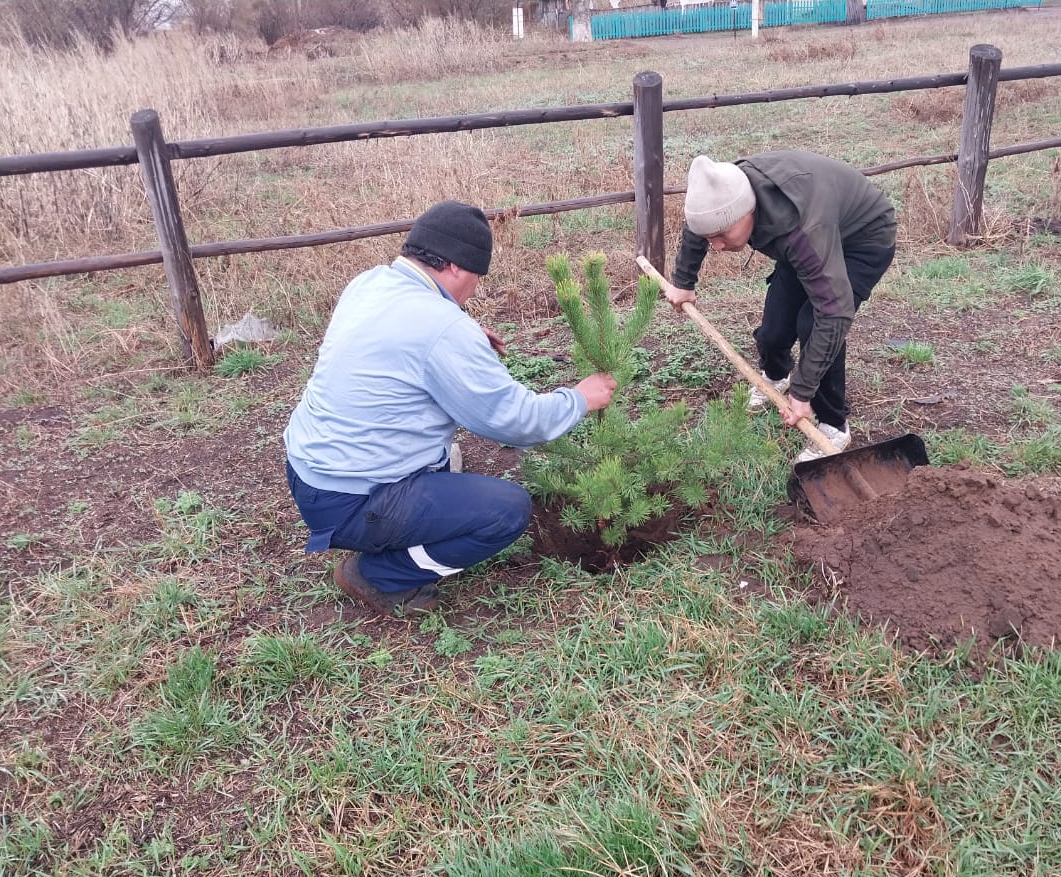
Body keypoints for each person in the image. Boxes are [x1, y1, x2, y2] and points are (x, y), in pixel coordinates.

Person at [284, 200, 617, 615]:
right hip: (352, 498)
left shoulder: (370, 283)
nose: (476, 288)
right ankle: (382, 575)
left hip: (310, 471)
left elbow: (397, 337)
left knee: (447, 465)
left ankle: (394, 527)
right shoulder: (441, 328)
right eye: (477, 277)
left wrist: (460, 330)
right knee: (506, 511)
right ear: (457, 267)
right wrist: (580, 399)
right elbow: (515, 420)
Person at [660, 151, 896, 463]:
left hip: (862, 238)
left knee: (813, 324)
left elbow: (834, 312)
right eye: (710, 237)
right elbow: (701, 223)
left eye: (721, 235)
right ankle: (776, 374)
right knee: (774, 331)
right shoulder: (721, 196)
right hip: (809, 235)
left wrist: (803, 392)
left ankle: (834, 424)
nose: (715, 246)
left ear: (748, 211)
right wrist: (684, 281)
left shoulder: (799, 228)